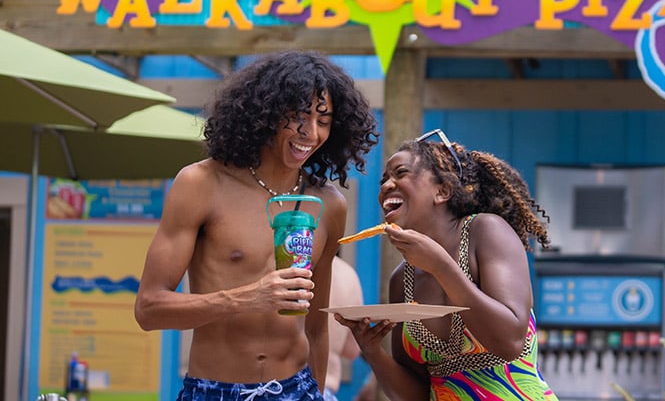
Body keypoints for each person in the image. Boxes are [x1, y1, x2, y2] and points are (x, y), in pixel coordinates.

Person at [134, 50, 379, 400]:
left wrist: (319, 391)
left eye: (323, 121)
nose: (310, 132)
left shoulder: (328, 205)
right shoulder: (201, 184)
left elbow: (316, 327)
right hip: (213, 390)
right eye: (298, 116)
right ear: (266, 113)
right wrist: (247, 297)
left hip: (297, 389)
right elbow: (148, 309)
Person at [334, 128, 559, 400]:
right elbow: (418, 394)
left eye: (400, 173)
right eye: (384, 179)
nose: (386, 186)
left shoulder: (486, 231)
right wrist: (372, 351)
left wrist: (441, 267)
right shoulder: (401, 281)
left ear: (442, 191)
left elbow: (510, 341)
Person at [324, 255, 364, 401]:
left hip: (280, 388)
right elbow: (352, 350)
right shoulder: (348, 274)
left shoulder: (283, 264)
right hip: (324, 391)